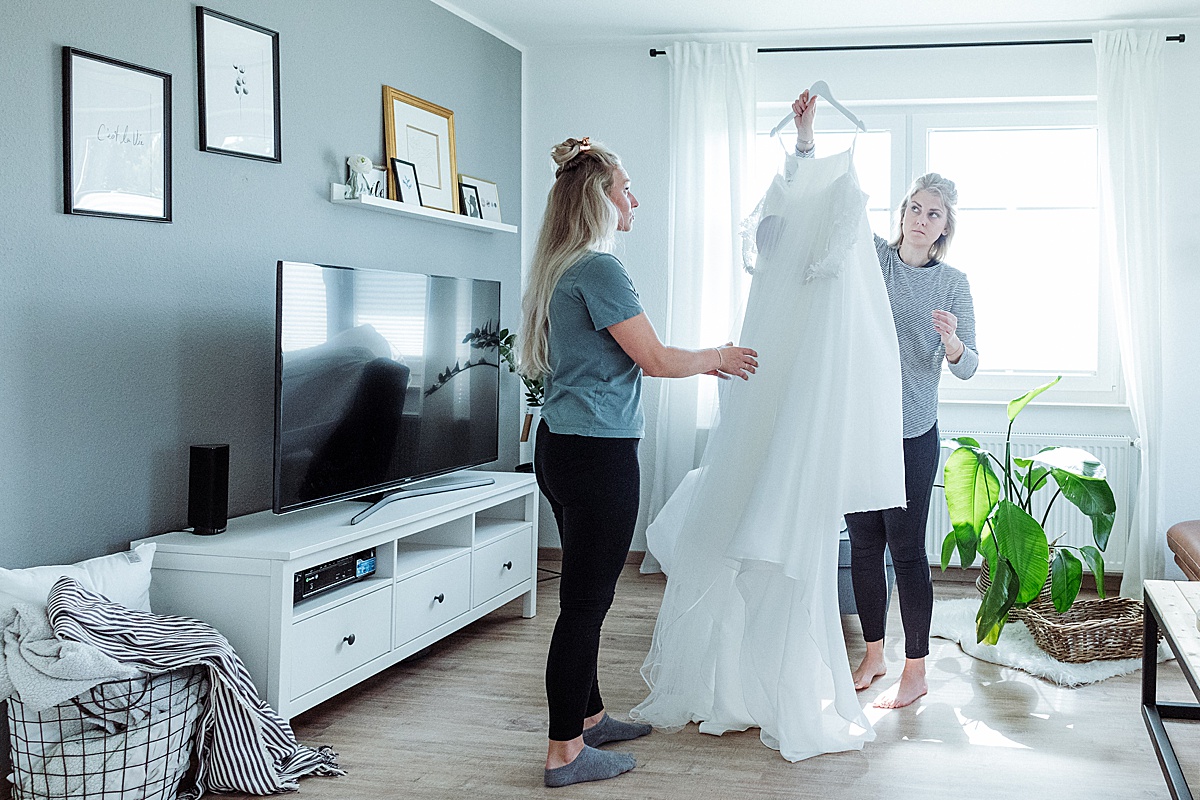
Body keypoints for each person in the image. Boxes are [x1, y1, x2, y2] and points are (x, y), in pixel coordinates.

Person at [519, 136, 758, 788]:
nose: (635, 199)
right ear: (599, 197)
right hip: (597, 457)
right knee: (585, 605)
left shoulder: (561, 267)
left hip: (561, 448)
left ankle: (589, 717)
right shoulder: (599, 270)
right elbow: (652, 358)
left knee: (583, 597)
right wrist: (719, 357)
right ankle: (565, 751)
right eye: (626, 186)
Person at [791, 90, 979, 709]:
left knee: (907, 549)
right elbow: (830, 207)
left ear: (945, 226)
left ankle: (916, 667)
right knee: (864, 545)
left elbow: (971, 365)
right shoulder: (874, 259)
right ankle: (873, 653)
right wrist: (808, 136)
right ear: (902, 213)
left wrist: (952, 344)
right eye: (915, 208)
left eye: (934, 213)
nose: (922, 218)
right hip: (859, 429)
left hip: (911, 433)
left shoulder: (954, 284)